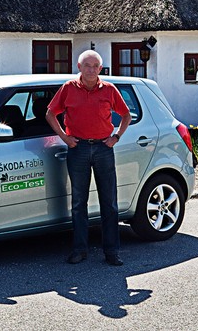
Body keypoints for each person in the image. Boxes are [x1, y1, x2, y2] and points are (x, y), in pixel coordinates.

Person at [45, 50, 131, 266]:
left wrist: (116, 137)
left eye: (95, 66)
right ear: (79, 66)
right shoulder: (68, 88)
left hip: (103, 148)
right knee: (78, 202)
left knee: (109, 202)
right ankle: (79, 250)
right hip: (79, 149)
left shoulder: (109, 90)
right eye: (87, 65)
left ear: (100, 69)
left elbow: (126, 114)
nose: (91, 69)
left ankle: (112, 252)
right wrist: (64, 137)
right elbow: (50, 113)